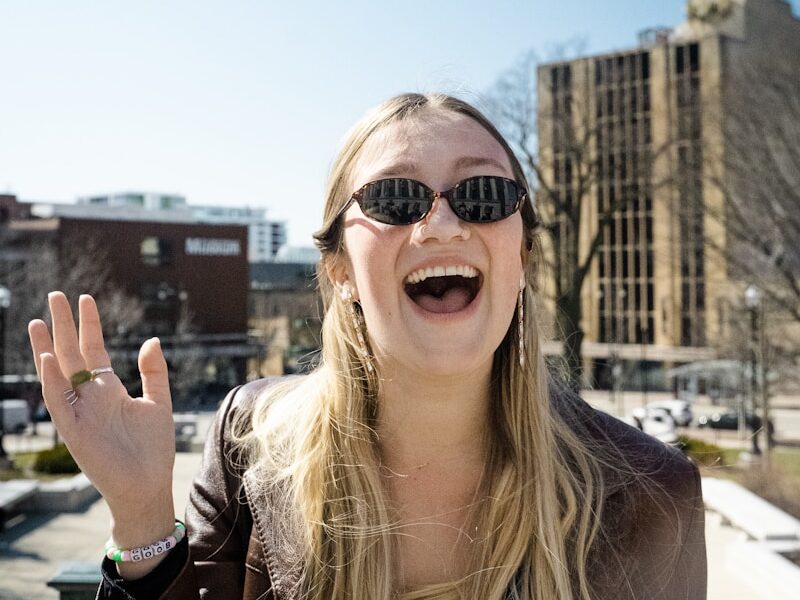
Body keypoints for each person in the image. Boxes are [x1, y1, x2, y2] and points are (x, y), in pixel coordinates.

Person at [28, 93, 706, 600]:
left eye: (484, 194)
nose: (441, 221)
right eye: (394, 198)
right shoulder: (247, 441)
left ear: (522, 256)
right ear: (341, 271)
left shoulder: (654, 494)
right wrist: (142, 515)